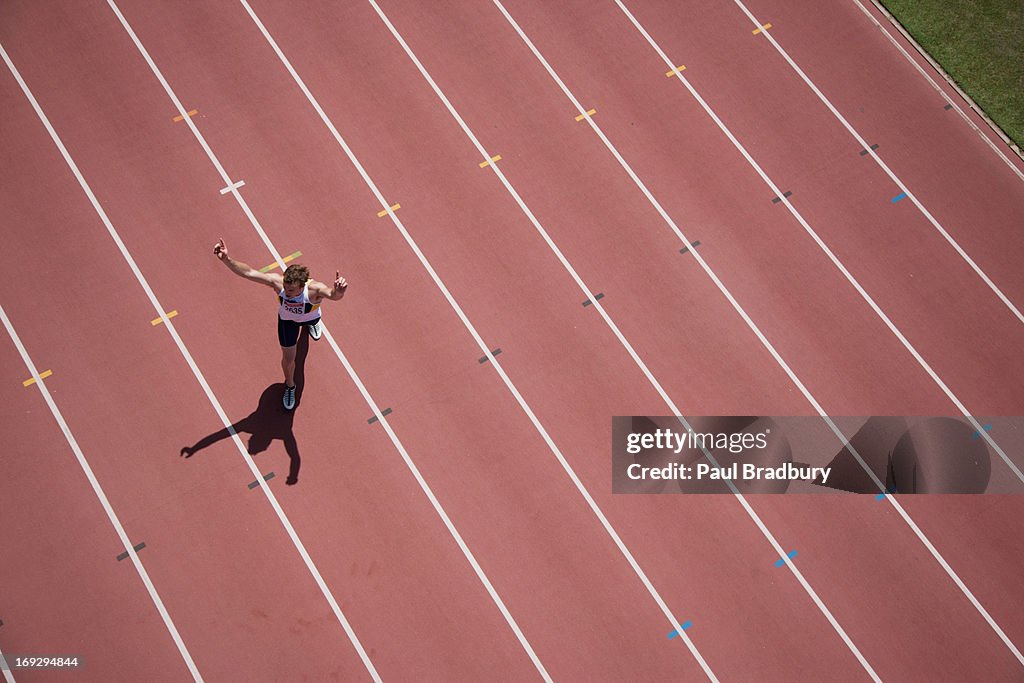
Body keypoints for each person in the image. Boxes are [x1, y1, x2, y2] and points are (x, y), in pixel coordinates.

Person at [213, 238, 347, 409]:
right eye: (285, 287)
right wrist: (227, 260)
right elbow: (249, 273)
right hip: (287, 322)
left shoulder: (315, 290)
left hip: (310, 315)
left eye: (291, 290)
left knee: (312, 322)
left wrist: (339, 291)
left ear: (302, 286)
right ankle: (290, 385)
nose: (286, 292)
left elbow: (333, 296)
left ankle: (312, 324)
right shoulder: (278, 283)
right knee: (289, 359)